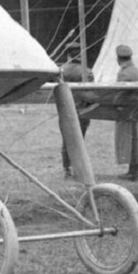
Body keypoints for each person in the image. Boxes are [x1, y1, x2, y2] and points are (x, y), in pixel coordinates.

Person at [114, 44, 138, 181]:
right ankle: (135, 169)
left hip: (127, 112)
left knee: (129, 141)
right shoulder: (136, 71)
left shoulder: (123, 73)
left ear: (118, 59)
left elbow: (120, 94)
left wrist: (116, 105)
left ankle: (133, 171)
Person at [59, 42, 94, 179]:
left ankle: (67, 170)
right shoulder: (87, 71)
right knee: (80, 140)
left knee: (66, 140)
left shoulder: (61, 70)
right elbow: (92, 93)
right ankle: (79, 169)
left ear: (68, 54)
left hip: (65, 110)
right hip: (83, 111)